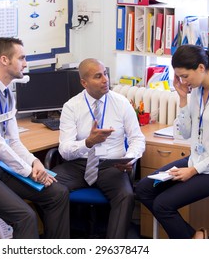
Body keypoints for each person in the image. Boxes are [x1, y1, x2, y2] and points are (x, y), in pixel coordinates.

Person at [0, 37, 70, 239]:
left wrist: (35, 163)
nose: (26, 63)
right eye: (22, 58)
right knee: (25, 217)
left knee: (57, 194)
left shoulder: (7, 92)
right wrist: (29, 172)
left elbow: (13, 141)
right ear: (4, 60)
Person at [135, 45, 209, 239]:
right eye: (179, 77)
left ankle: (191, 242)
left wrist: (193, 170)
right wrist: (183, 98)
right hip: (198, 159)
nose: (183, 81)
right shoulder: (195, 92)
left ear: (201, 68)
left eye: (185, 76)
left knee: (163, 204)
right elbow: (183, 133)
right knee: (143, 188)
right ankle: (194, 238)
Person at [53, 58, 146, 238]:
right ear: (84, 82)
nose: (105, 79)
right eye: (98, 76)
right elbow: (64, 149)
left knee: (126, 196)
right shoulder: (71, 107)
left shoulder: (121, 103)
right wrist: (88, 142)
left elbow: (137, 138)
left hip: (111, 165)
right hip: (79, 164)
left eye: (105, 74)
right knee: (46, 188)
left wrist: (130, 158)